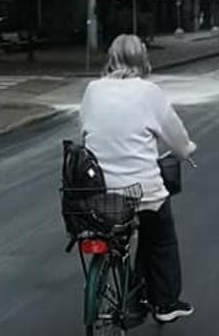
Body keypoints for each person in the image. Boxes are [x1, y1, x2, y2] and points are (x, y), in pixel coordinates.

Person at [79, 35, 197, 323]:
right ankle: (166, 304)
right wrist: (186, 151)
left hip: (99, 193)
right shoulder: (149, 92)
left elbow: (83, 134)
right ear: (142, 59)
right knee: (161, 239)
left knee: (117, 233)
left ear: (111, 57)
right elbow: (177, 139)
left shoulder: (92, 90)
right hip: (143, 192)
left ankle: (120, 283)